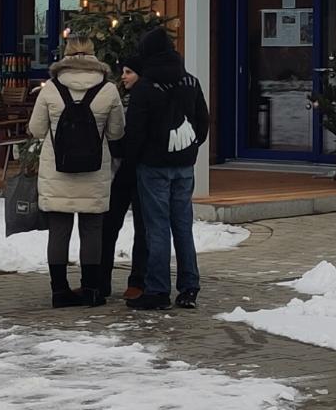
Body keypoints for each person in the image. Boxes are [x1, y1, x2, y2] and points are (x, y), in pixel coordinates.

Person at [27, 34, 126, 307]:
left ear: (66, 54)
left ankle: (59, 290)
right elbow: (117, 132)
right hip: (94, 172)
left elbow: (36, 130)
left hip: (57, 171)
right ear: (94, 55)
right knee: (92, 229)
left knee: (59, 230)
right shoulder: (108, 89)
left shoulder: (51, 89)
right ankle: (91, 289)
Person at [122, 27, 209, 312]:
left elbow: (135, 133)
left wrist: (130, 164)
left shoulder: (145, 87)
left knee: (156, 228)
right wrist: (190, 147)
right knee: (183, 227)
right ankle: (189, 288)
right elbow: (203, 122)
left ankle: (158, 290)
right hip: (184, 165)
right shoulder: (191, 81)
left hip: (154, 167)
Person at [97, 61, 150, 301]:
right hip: (119, 171)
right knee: (108, 227)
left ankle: (138, 280)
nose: (124, 77)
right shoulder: (120, 98)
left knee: (143, 227)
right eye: (123, 72)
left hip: (140, 170)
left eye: (130, 72)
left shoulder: (147, 98)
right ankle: (100, 281)